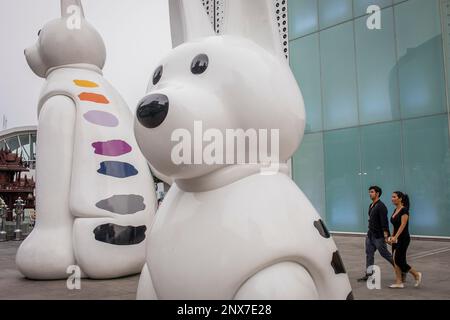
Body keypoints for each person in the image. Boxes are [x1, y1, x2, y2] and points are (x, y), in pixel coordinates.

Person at [358, 186, 394, 282]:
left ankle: (401, 269)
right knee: (369, 254)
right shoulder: (371, 205)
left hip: (378, 236)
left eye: (372, 192)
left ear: (377, 193)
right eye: (369, 192)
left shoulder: (381, 206)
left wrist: (386, 235)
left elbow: (384, 222)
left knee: (385, 254)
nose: (370, 193)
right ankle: (369, 275)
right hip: (370, 234)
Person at [388, 191, 422, 288]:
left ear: (400, 198)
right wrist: (391, 237)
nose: (392, 198)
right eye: (392, 197)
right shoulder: (395, 210)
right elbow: (395, 226)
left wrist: (396, 237)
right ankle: (399, 282)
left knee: (399, 260)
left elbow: (403, 225)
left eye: (394, 197)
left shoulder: (404, 211)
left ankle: (416, 274)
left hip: (403, 238)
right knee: (395, 261)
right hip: (395, 239)